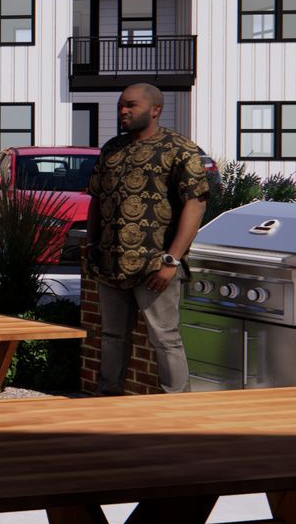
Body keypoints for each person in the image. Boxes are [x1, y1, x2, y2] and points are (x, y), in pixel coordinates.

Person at [85, 82, 209, 395]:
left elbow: (196, 203)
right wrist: (91, 246)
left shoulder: (180, 149)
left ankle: (176, 406)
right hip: (110, 264)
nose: (123, 111)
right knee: (112, 336)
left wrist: (172, 259)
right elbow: (97, 199)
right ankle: (107, 397)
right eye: (121, 106)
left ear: (155, 110)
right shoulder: (112, 149)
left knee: (165, 338)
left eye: (131, 105)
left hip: (155, 266)